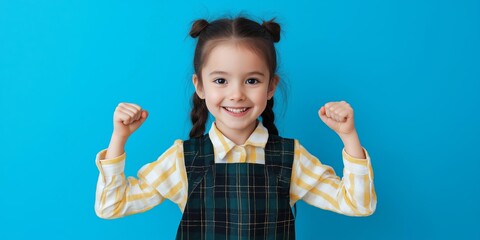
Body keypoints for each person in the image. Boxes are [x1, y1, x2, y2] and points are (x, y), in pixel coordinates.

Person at [95, 16, 376, 240]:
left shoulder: (291, 158)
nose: (237, 94)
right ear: (200, 86)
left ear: (271, 87)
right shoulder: (182, 159)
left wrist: (348, 137)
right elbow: (112, 206)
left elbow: (358, 204)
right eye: (221, 81)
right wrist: (119, 138)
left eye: (252, 80)